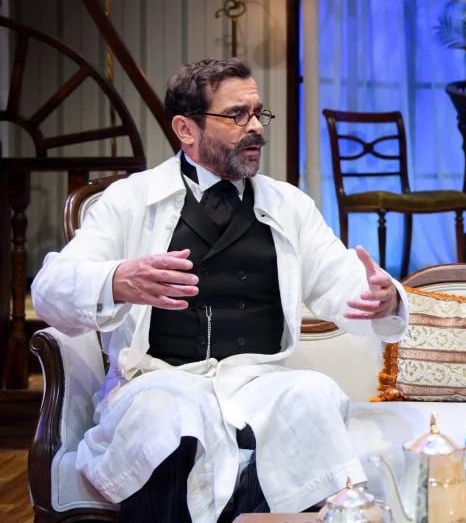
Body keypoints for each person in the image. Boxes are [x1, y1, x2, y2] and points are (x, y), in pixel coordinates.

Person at [31, 58, 408, 523]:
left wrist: (384, 298)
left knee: (311, 394)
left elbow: (340, 278)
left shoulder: (288, 205)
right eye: (236, 115)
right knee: (166, 414)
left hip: (258, 380)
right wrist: (116, 280)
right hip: (159, 378)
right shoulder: (130, 201)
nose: (256, 127)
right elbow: (49, 288)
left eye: (258, 113)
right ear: (185, 129)